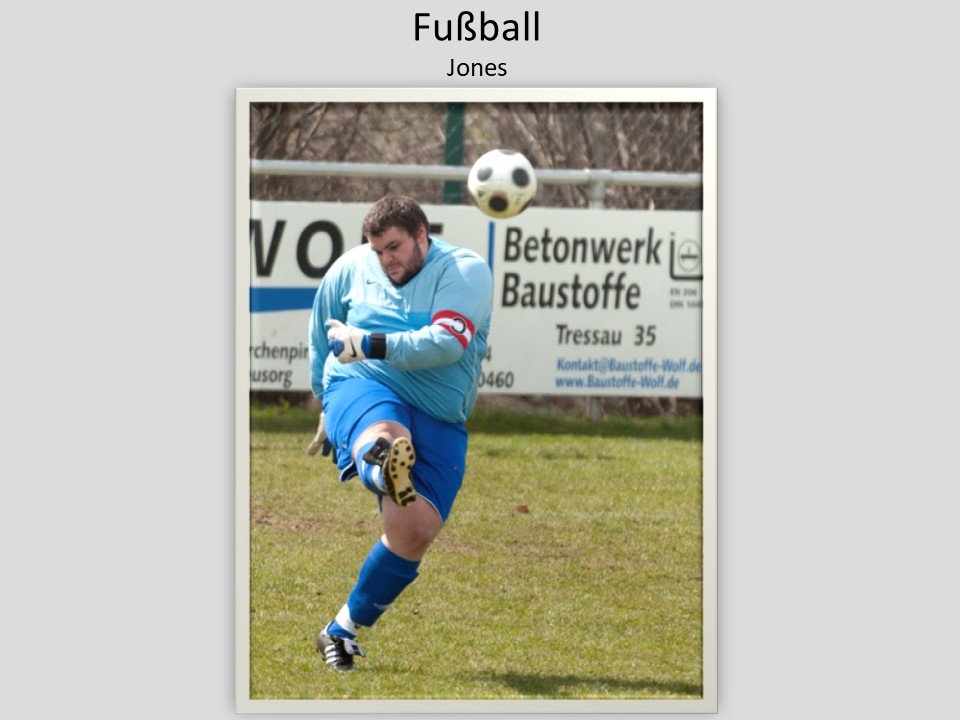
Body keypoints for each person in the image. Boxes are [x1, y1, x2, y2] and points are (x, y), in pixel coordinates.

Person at [305, 194, 493, 671]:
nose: (385, 260)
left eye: (394, 247)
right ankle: (382, 464)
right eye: (378, 250)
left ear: (421, 235)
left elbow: (447, 344)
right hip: (363, 382)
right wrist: (324, 402)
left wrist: (370, 342)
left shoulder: (464, 271)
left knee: (414, 531)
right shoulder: (351, 268)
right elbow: (320, 335)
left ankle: (339, 630)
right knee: (385, 433)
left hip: (438, 411)